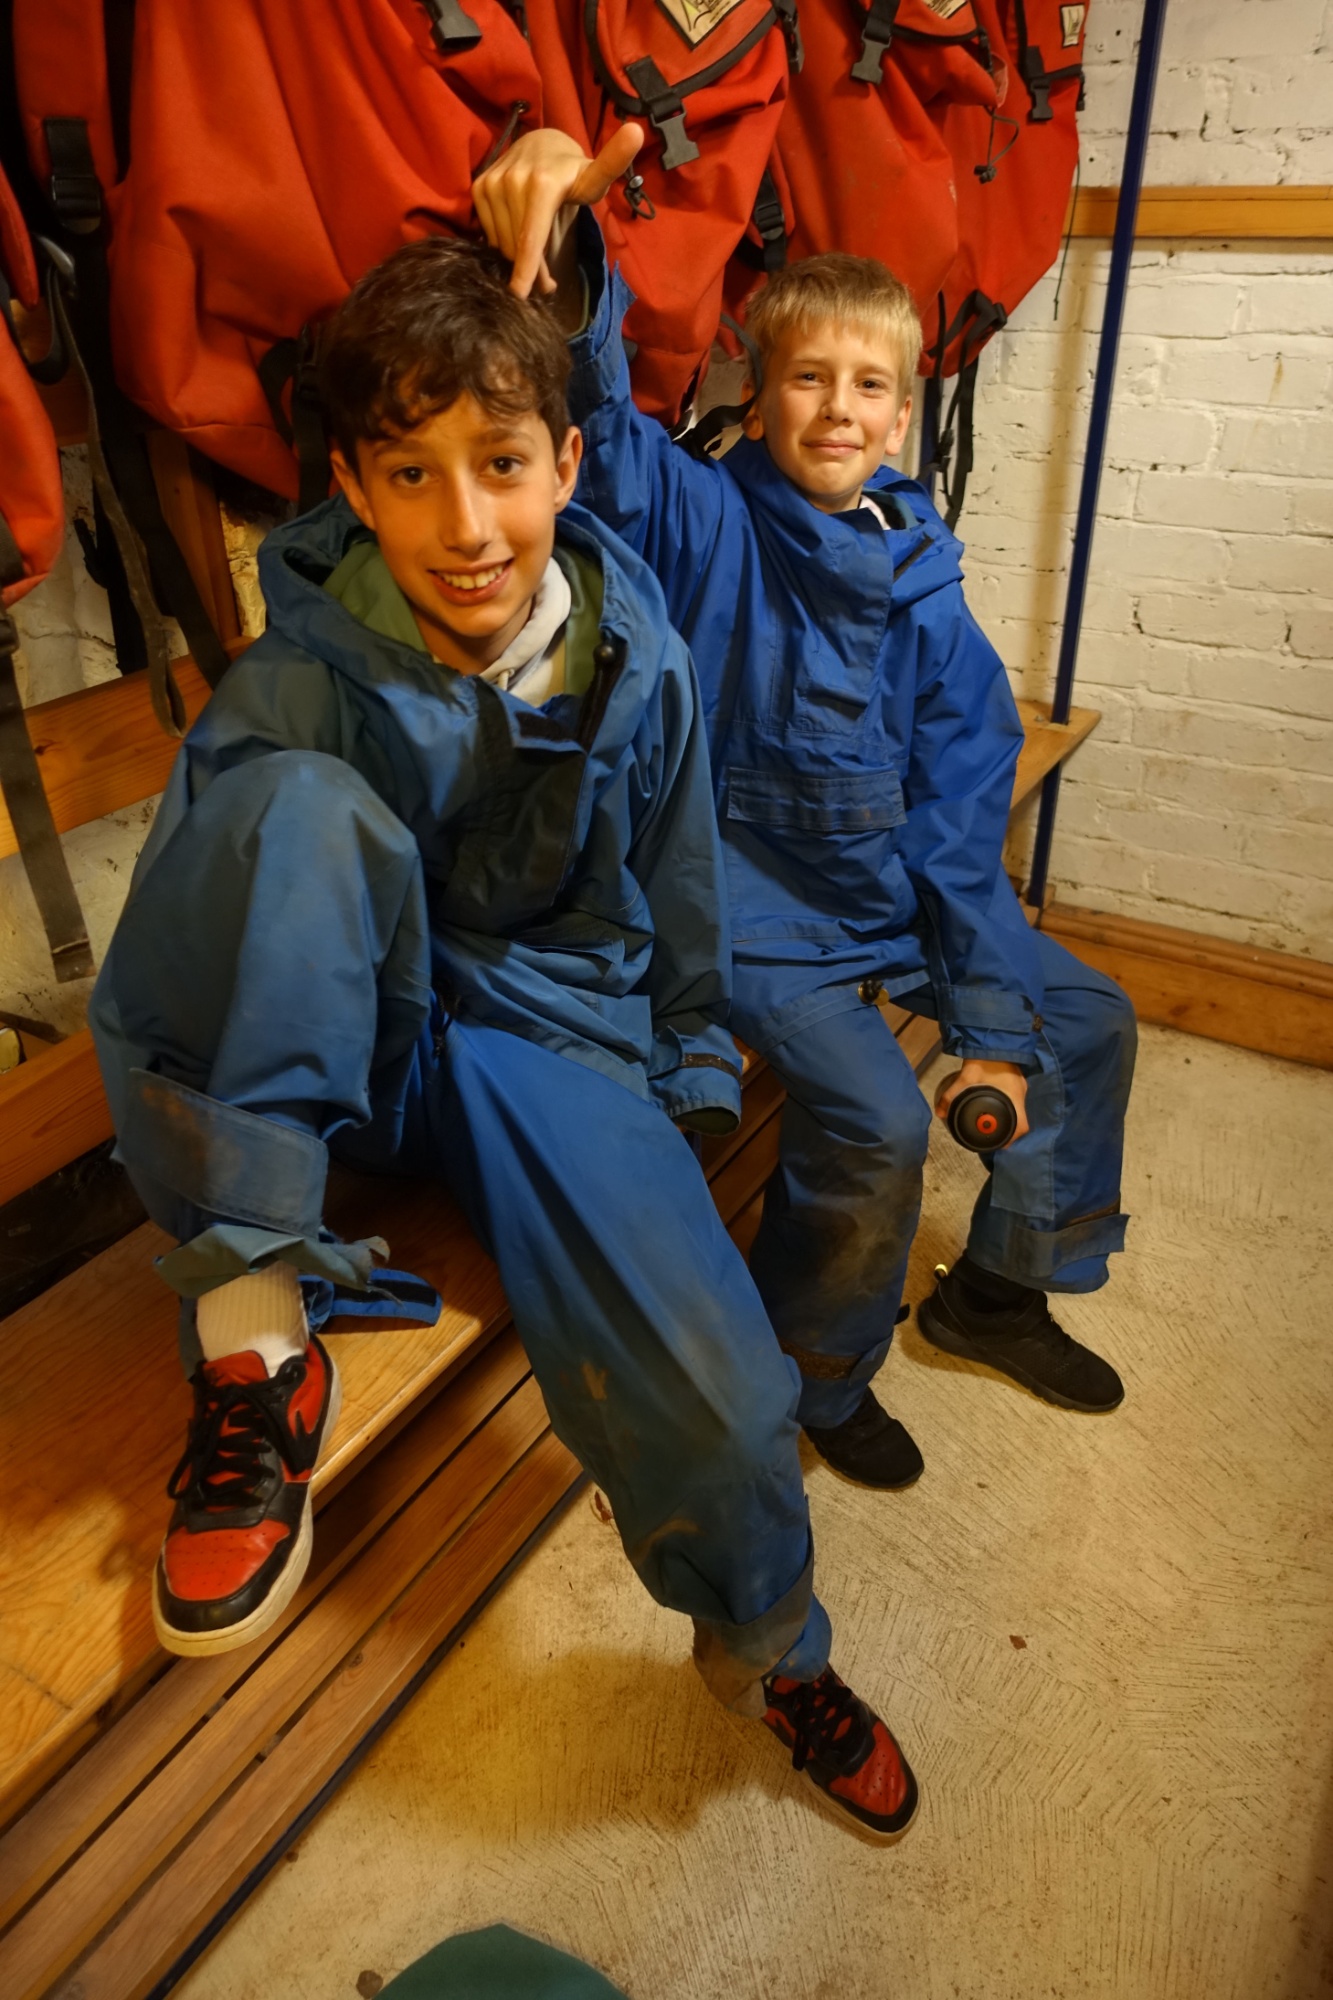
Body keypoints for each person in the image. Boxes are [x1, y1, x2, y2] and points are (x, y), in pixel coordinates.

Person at [89, 235, 918, 1840]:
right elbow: (173, 982)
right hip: (332, 1063)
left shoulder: (636, 658)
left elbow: (678, 886)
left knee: (724, 1389)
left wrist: (679, 1087)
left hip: (548, 1037)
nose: (466, 525)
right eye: (412, 474)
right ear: (353, 486)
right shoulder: (296, 680)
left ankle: (770, 1655)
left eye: (502, 465)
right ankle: (257, 1354)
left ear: (566, 464)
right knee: (293, 809)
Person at [473, 129, 1137, 1491]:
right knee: (877, 1125)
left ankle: (999, 1290)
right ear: (759, 389)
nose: (837, 409)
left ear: (902, 411)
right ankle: (817, 1372)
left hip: (894, 892)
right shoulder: (706, 521)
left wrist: (990, 1020)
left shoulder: (924, 578)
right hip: (754, 910)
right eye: (807, 378)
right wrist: (568, 260)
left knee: (1086, 1020)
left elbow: (960, 815)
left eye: (868, 385)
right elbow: (610, 428)